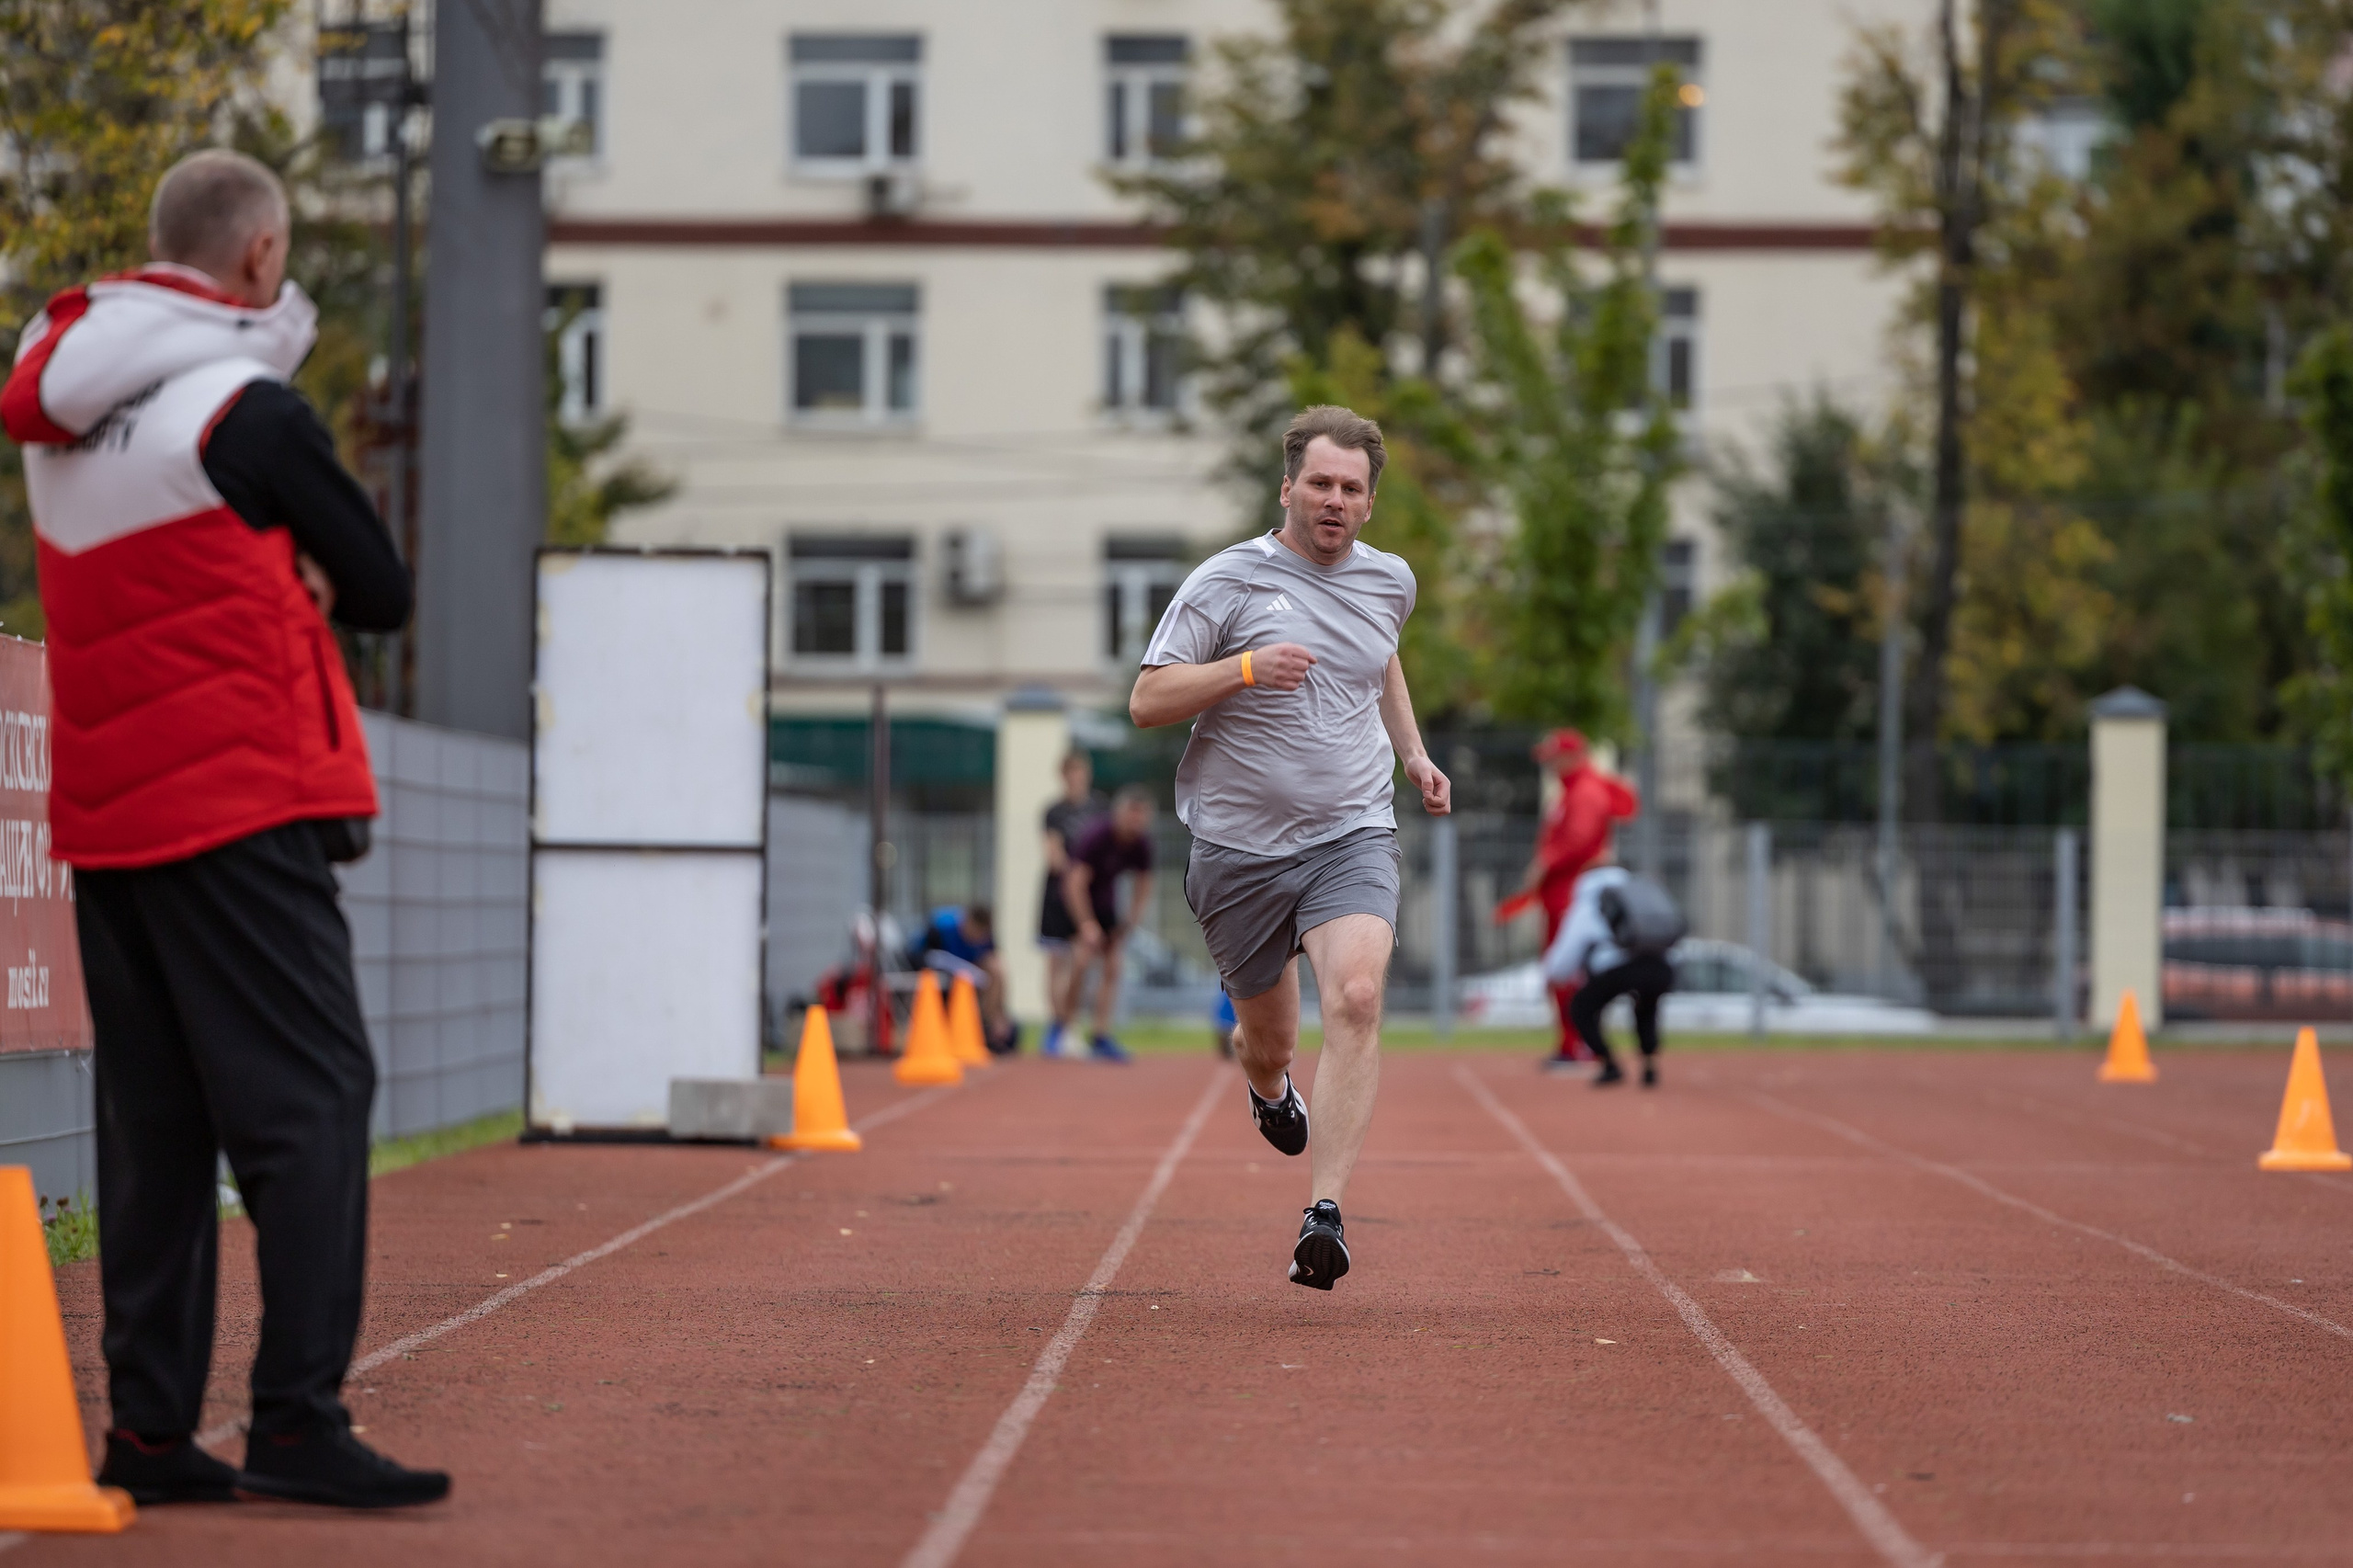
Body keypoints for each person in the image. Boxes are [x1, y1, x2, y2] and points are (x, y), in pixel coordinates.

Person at [0, 150, 445, 1507]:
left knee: (157, 1122)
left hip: (109, 815)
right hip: (241, 801)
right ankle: (297, 1420)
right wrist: (299, 562)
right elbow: (379, 589)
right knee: (314, 1101)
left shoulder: (65, 417)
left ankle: (149, 1432)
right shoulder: (244, 409)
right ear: (257, 258)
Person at [1131, 403, 1450, 1291]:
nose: (1335, 500)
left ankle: (1326, 1215)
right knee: (1266, 1039)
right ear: (1288, 489)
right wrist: (1242, 668)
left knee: (1356, 994)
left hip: (1352, 829)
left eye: (1352, 488)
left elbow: (1380, 659)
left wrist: (1414, 754)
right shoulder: (1226, 583)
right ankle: (1270, 1091)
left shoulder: (1391, 582)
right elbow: (1148, 701)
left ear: (1371, 502)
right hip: (1237, 850)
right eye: (1320, 483)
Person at [1516, 730, 1638, 1067]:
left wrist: (1544, 863)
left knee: (1567, 970)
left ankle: (1579, 1042)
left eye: (1553, 758)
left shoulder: (1584, 791)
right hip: (1563, 893)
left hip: (1571, 895)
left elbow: (1578, 839)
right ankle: (1573, 1042)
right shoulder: (1574, 791)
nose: (1550, 766)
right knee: (1564, 970)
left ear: (1571, 757)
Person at [1540, 856, 1678, 1087]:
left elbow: (1568, 952)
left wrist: (1551, 975)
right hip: (1661, 965)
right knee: (1646, 1006)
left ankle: (1609, 1064)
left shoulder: (1591, 901)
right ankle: (1649, 1066)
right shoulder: (1640, 892)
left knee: (1581, 1008)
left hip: (1617, 969)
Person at [1054, 784, 1156, 1062]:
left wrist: (1131, 921)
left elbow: (1143, 884)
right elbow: (1074, 884)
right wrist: (1086, 924)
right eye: (1132, 815)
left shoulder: (1141, 843)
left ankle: (1100, 1035)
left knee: (1114, 967)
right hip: (1078, 903)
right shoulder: (1097, 836)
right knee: (1082, 962)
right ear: (1119, 814)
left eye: (1142, 817)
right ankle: (1063, 1027)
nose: (1136, 823)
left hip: (1106, 905)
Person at [1037, 749, 1106, 1059]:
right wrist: (1072, 874)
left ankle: (1073, 1022)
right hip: (1056, 893)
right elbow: (1053, 854)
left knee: (1083, 959)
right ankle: (1056, 1025)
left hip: (1087, 894)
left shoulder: (1098, 808)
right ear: (1063, 777)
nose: (1077, 779)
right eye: (1072, 773)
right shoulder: (1053, 812)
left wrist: (1089, 879)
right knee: (1056, 962)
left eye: (1082, 773)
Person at [911, 903, 1017, 1051]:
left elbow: (992, 963)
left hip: (969, 977)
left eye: (980, 936)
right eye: (974, 934)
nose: (977, 939)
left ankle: (994, 1019)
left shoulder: (986, 937)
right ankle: (986, 1023)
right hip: (941, 974)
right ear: (967, 922)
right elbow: (922, 956)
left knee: (996, 967)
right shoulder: (943, 927)